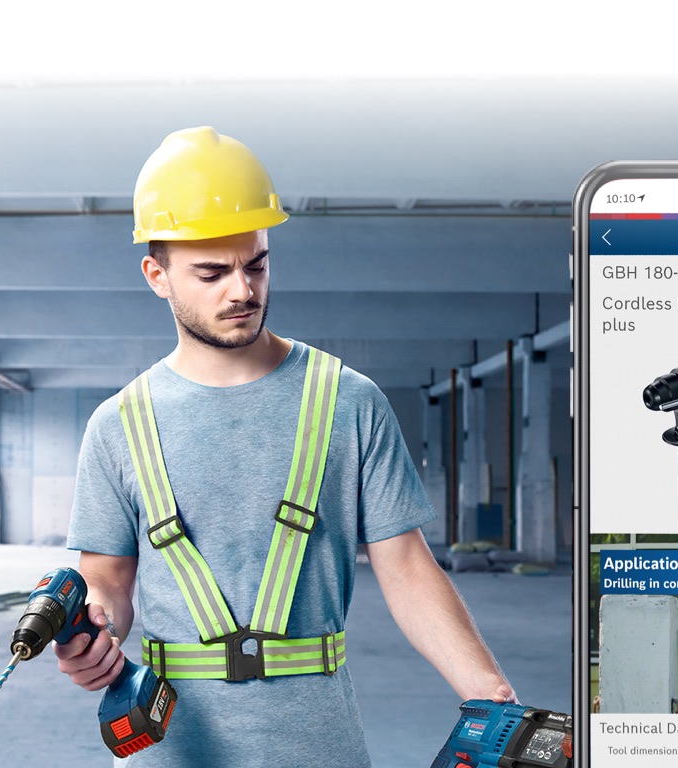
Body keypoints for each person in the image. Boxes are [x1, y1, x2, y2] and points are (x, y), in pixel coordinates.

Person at [56, 126, 516, 766]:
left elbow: (406, 567)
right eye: (212, 273)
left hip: (316, 742)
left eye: (257, 264)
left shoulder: (348, 402)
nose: (242, 291)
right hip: (168, 746)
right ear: (156, 275)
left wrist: (489, 693)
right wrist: (96, 629)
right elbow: (106, 576)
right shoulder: (118, 424)